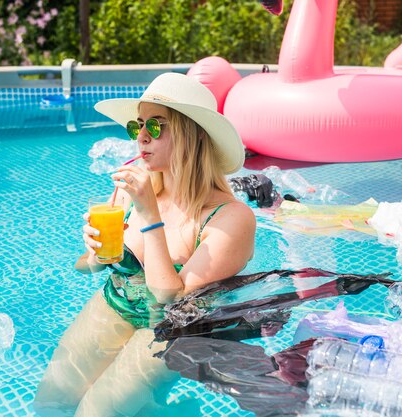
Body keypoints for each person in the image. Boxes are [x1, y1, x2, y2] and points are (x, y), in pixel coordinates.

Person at [33, 72, 256, 417]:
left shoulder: (230, 218)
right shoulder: (129, 191)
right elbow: (87, 265)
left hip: (173, 326)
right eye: (137, 126)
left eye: (155, 126)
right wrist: (93, 256)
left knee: (94, 414)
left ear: (192, 135)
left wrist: (149, 213)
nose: (140, 137)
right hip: (118, 302)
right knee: (51, 403)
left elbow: (171, 296)